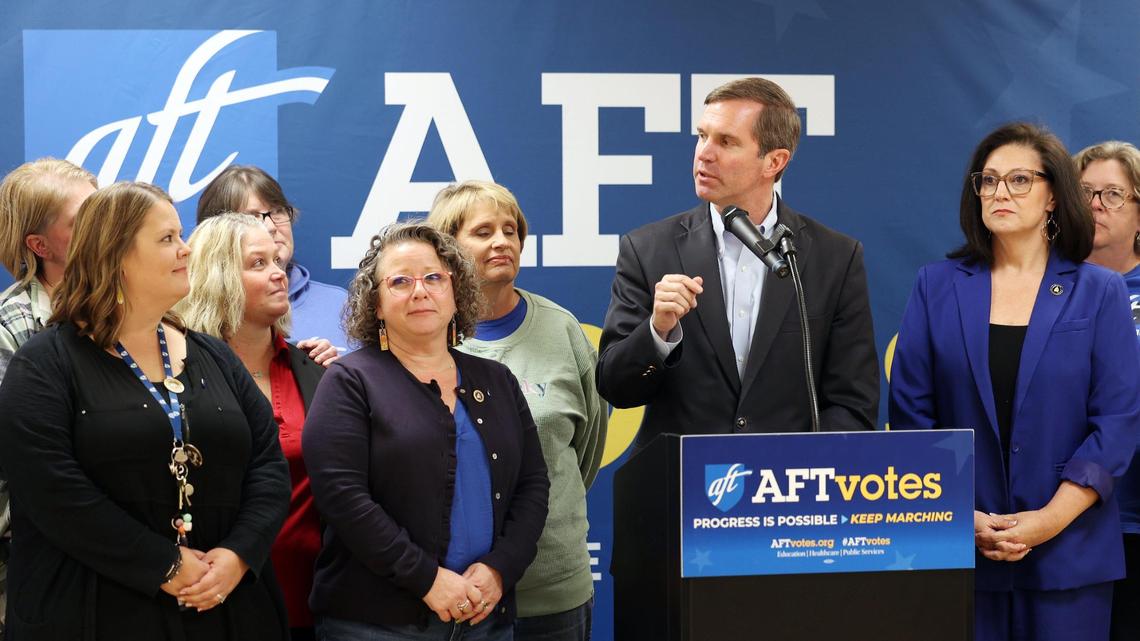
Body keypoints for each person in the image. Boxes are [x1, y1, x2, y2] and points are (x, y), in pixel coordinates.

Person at [0, 182, 291, 640]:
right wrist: (163, 564)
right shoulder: (43, 364)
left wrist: (238, 555)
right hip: (92, 611)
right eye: (167, 238)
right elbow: (50, 490)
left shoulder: (215, 356)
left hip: (226, 606)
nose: (186, 249)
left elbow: (268, 466)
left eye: (181, 235)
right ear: (114, 254)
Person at [889, 123, 1140, 641]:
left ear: (1054, 196)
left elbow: (1117, 422)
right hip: (957, 546)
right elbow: (912, 417)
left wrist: (1048, 519)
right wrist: (961, 514)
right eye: (989, 180)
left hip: (1069, 553)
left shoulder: (1099, 291)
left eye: (1020, 180)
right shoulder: (936, 286)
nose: (1000, 192)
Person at [596, 76, 878, 447]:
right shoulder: (647, 249)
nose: (704, 153)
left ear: (774, 161)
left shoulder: (836, 258)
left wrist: (797, 467)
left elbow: (853, 404)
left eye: (726, 141)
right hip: (679, 477)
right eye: (702, 136)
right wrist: (657, 331)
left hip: (787, 479)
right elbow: (615, 388)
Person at [303, 222, 549, 640]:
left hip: (485, 616)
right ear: (376, 305)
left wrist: (500, 569)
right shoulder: (348, 381)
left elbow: (533, 485)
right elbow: (342, 497)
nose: (420, 291)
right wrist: (428, 580)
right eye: (400, 281)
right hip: (377, 625)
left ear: (456, 292)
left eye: (434, 278)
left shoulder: (497, 380)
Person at [429, 181, 606, 640]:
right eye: (483, 231)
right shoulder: (423, 337)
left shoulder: (562, 330)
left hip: (553, 592)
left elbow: (584, 453)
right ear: (447, 249)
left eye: (510, 231)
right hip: (455, 596)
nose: (502, 242)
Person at [177, 213, 334, 641]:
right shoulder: (178, 376)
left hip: (320, 604)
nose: (279, 274)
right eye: (258, 263)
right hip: (216, 598)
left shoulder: (316, 369)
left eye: (278, 262)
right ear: (218, 276)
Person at [0, 157, 96, 637]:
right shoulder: (11, 329)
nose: (103, 227)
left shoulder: (147, 310)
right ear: (39, 246)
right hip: (43, 569)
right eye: (83, 221)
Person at [1073, 141, 1140, 641]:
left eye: (1113, 194)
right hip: (1065, 518)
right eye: (1084, 192)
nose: (1096, 205)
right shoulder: (1042, 285)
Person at [196, 165, 350, 352]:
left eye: (277, 211)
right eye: (252, 217)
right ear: (216, 234)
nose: (271, 226)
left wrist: (335, 369)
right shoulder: (189, 318)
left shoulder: (341, 304)